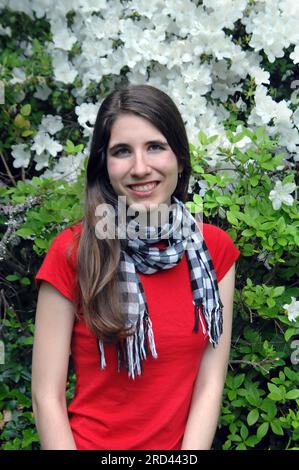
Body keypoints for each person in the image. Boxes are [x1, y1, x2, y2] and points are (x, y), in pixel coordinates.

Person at [31, 84, 240, 450]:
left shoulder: (213, 252)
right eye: (122, 151)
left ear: (178, 156)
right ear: (104, 164)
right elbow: (46, 396)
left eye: (155, 147)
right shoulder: (72, 252)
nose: (140, 168)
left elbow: (209, 385)